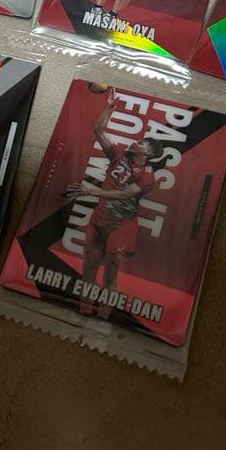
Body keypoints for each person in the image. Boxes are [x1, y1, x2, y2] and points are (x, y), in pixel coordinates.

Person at [65, 89, 162, 318]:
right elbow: (98, 130)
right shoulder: (118, 155)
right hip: (99, 219)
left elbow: (124, 195)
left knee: (110, 275)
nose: (135, 141)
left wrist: (90, 191)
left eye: (140, 142)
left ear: (148, 153)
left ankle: (103, 319)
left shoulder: (147, 176)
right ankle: (83, 313)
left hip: (121, 226)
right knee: (88, 270)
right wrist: (110, 106)